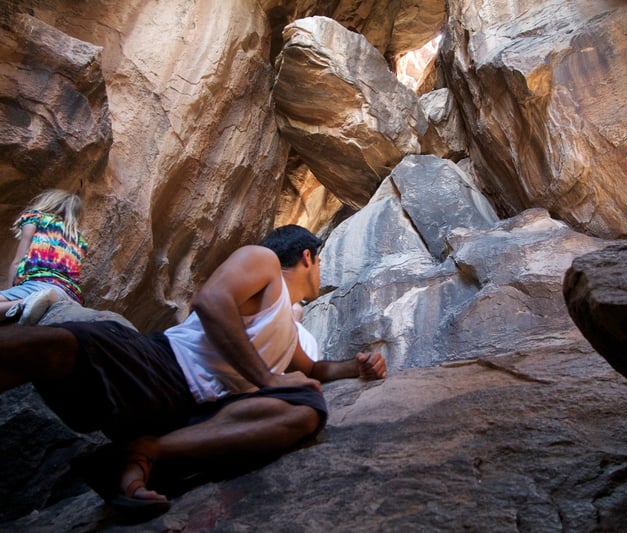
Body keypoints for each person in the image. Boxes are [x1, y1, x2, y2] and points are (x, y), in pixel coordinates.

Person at [0, 224, 386, 517]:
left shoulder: (286, 329)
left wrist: (355, 366)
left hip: (196, 421)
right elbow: (211, 300)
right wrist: (266, 379)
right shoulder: (262, 260)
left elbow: (314, 367)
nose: (322, 272)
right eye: (321, 262)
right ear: (307, 256)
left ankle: (142, 453)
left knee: (306, 407)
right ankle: (140, 458)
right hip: (162, 366)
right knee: (56, 346)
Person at [1, 189, 88, 323]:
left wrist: (10, 291)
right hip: (71, 296)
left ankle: (28, 302)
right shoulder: (80, 240)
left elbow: (17, 262)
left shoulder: (36, 218)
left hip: (40, 285)